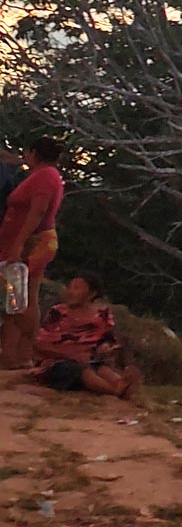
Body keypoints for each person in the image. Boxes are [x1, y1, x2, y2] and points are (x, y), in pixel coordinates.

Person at [0, 274, 144, 399]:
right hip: (57, 363)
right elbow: (40, 345)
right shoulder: (58, 312)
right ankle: (115, 391)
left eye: (77, 288)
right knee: (79, 369)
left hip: (90, 360)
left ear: (91, 294)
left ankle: (122, 384)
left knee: (101, 369)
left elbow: (111, 341)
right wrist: (71, 356)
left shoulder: (102, 314)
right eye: (70, 287)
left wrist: (117, 359)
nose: (70, 292)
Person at [0, 137, 66, 369]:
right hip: (25, 240)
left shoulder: (46, 176)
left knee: (21, 296)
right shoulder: (40, 175)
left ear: (34, 152)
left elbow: (37, 212)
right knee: (17, 297)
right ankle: (12, 354)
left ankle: (25, 351)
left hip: (33, 242)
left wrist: (19, 244)